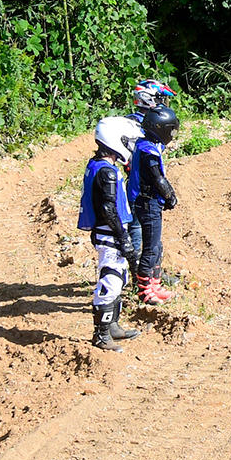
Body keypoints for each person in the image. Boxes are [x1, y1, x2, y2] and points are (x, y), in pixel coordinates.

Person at [79, 116, 144, 351]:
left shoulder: (99, 165)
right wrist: (123, 238)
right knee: (111, 279)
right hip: (109, 233)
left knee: (120, 276)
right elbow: (108, 207)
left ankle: (113, 326)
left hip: (108, 231)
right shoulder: (106, 171)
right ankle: (101, 334)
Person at [123, 79, 176, 271]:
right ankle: (138, 274)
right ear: (148, 99)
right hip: (139, 184)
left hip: (146, 184)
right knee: (137, 228)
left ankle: (152, 273)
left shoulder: (152, 122)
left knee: (151, 232)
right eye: (160, 98)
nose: (163, 103)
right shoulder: (133, 124)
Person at [129, 106, 180, 306]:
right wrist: (170, 196)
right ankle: (144, 291)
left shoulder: (146, 144)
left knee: (156, 246)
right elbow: (158, 179)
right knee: (150, 248)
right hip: (147, 202)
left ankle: (155, 284)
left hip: (148, 202)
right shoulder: (148, 151)